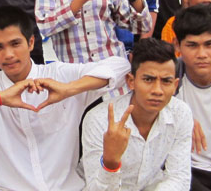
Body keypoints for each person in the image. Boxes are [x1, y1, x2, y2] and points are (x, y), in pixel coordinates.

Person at [0, 5, 130, 191]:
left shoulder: (59, 75)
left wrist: (68, 89)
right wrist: (0, 97)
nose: (8, 54)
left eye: (15, 44)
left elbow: (121, 66)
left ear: (31, 42)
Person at [82, 38, 193, 190]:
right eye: (148, 79)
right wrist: (110, 163)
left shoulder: (181, 113)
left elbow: (179, 178)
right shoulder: (99, 119)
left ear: (175, 85)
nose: (157, 90)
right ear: (131, 81)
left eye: (166, 81)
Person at [173, 4, 211, 190]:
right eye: (192, 45)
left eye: (209, 44)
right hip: (179, 171)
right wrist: (180, 115)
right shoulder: (168, 76)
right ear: (177, 45)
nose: (202, 54)